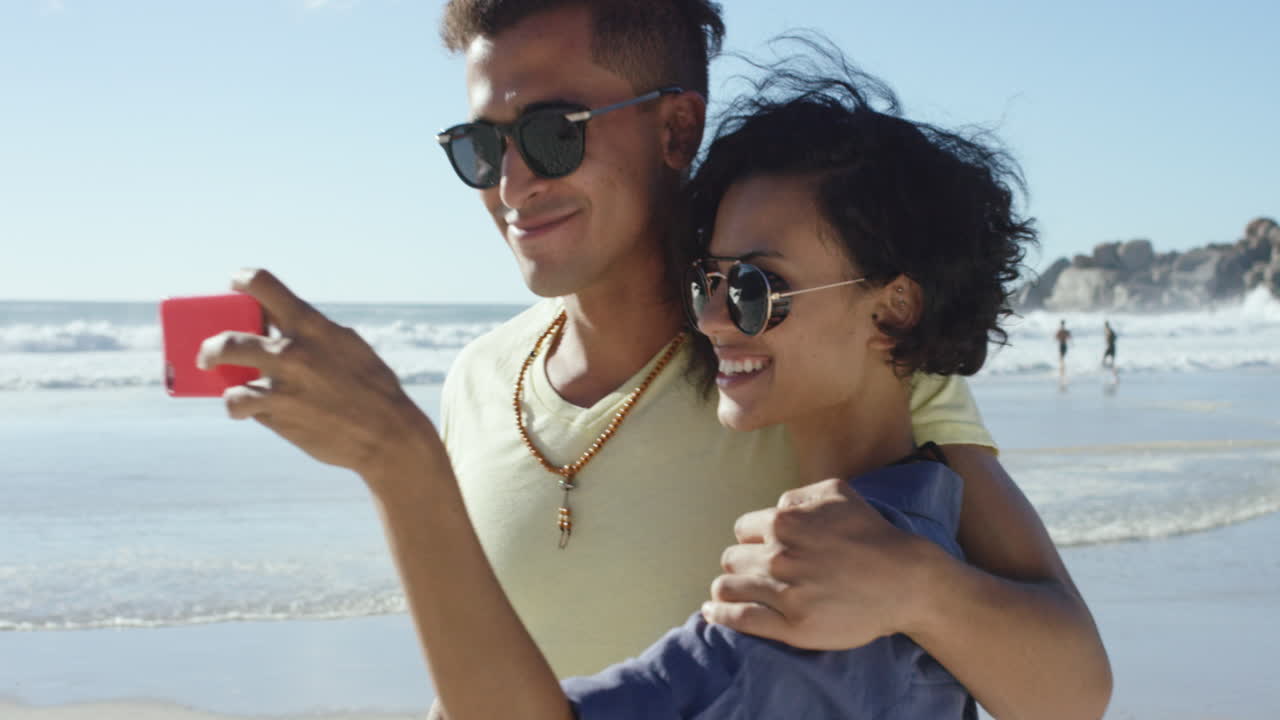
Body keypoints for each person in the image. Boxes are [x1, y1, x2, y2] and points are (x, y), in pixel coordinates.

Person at [198, 3, 1110, 718]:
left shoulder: (811, 361)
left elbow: (1070, 690)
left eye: (553, 132)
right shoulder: (476, 380)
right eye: (480, 147)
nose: (512, 184)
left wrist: (919, 588)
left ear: (676, 128)